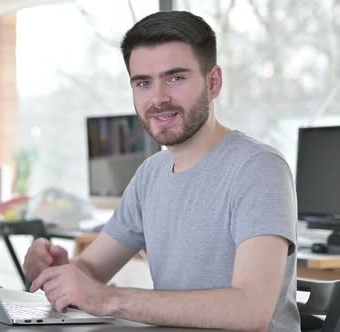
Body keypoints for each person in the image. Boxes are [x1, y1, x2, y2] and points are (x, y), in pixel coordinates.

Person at [23, 11, 300, 332]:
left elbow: (250, 311)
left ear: (213, 82)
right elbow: (91, 269)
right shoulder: (150, 174)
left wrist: (108, 299)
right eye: (143, 83)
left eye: (176, 78)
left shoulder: (258, 168)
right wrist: (59, 272)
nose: (158, 98)